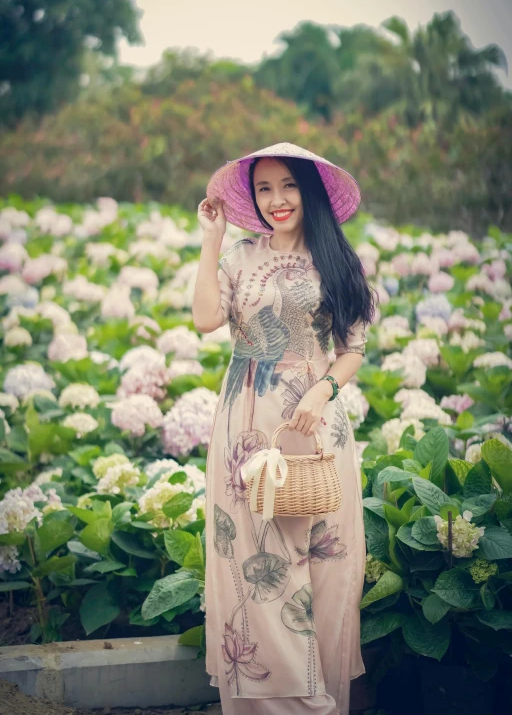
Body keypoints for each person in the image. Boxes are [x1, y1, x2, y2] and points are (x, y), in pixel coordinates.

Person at [192, 142, 376, 715]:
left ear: (310, 192)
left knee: (321, 561)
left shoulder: (339, 261)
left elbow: (353, 350)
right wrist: (212, 242)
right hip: (244, 428)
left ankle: (321, 699)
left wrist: (324, 390)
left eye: (288, 186)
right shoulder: (240, 258)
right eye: (264, 188)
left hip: (315, 424)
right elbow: (203, 319)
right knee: (250, 560)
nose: (276, 199)